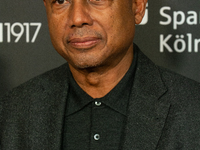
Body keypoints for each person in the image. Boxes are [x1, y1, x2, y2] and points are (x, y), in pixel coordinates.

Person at [0, 0, 200, 149]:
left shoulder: (193, 110)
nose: (78, 18)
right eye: (61, 1)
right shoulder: (12, 112)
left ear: (138, 7)